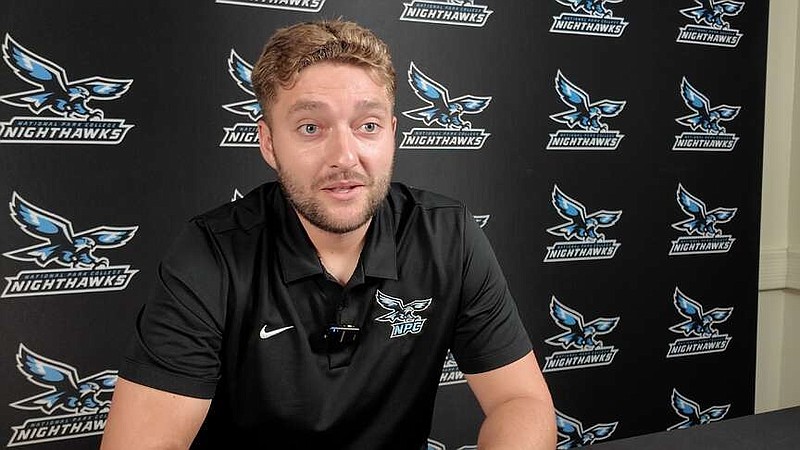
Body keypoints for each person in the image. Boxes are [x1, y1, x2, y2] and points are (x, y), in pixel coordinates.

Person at [100, 19, 555, 450]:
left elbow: (521, 402)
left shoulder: (447, 234)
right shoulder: (209, 254)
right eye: (311, 128)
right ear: (269, 143)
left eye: (368, 125)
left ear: (393, 133)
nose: (345, 156)